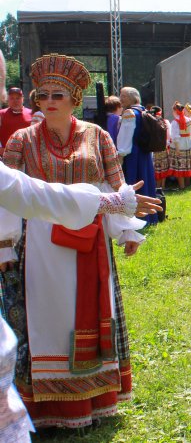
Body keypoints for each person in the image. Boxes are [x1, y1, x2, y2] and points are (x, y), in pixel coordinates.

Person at [1, 53, 146, 429]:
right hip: (40, 246)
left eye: (57, 95)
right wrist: (4, 245)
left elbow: (114, 186)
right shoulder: (20, 140)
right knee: (46, 317)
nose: (48, 101)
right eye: (43, 94)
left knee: (89, 313)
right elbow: (7, 196)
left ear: (74, 100)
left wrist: (127, 229)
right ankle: (49, 408)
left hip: (90, 239)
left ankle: (92, 401)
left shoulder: (97, 136)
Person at [116, 87, 158, 224]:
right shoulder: (143, 111)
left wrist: (120, 153)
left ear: (132, 98)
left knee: (133, 183)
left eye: (124, 96)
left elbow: (126, 136)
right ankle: (150, 216)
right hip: (144, 154)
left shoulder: (129, 113)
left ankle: (135, 217)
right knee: (146, 181)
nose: (121, 99)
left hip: (132, 155)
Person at [167, 102, 191, 190]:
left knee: (179, 166)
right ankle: (187, 184)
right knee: (186, 165)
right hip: (187, 144)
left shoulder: (175, 122)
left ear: (175, 111)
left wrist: (177, 149)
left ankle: (182, 186)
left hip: (179, 145)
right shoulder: (189, 120)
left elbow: (175, 136)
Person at [150, 106, 171, 189]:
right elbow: (169, 136)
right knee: (163, 166)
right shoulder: (165, 122)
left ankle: (157, 186)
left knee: (156, 167)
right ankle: (163, 185)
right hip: (163, 147)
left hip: (154, 148)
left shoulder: (150, 121)